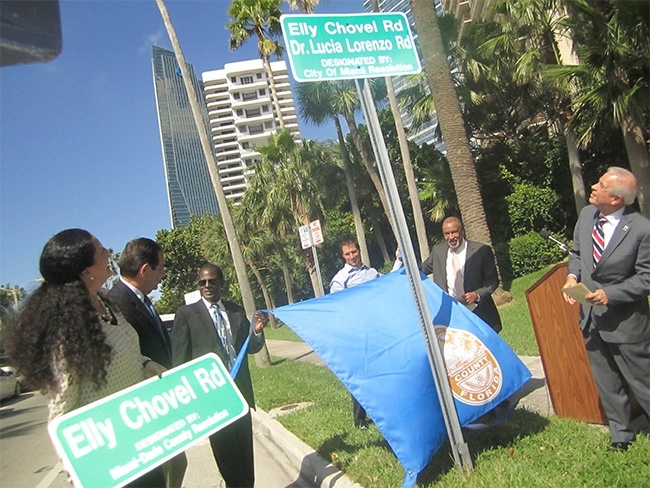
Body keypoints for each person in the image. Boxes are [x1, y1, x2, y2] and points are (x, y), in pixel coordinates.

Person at [7, 229, 166, 487]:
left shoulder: (109, 304)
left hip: (140, 446)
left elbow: (129, 352)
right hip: (111, 463)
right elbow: (62, 410)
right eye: (102, 250)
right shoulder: (68, 331)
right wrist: (77, 470)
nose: (109, 253)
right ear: (86, 271)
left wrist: (146, 364)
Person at [562, 167, 650, 451]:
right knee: (607, 382)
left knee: (642, 381)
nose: (594, 187)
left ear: (616, 200)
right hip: (591, 320)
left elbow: (646, 277)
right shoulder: (587, 215)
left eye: (601, 185)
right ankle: (620, 435)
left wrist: (610, 294)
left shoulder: (641, 229)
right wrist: (572, 276)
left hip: (627, 323)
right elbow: (576, 253)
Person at [170, 263, 266, 488]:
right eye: (202, 282)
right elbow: (180, 361)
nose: (207, 286)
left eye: (212, 281)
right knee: (228, 460)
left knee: (245, 458)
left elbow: (248, 347)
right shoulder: (186, 314)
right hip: (212, 399)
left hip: (239, 393)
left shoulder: (235, 310)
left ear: (221, 283)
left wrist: (257, 332)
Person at [108, 238, 186, 488]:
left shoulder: (143, 298)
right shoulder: (116, 304)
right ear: (144, 270)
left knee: (177, 463)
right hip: (143, 408)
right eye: (161, 267)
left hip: (160, 400)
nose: (163, 274)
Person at [396, 216, 502, 333]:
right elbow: (421, 269)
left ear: (462, 232)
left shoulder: (481, 251)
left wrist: (477, 295)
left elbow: (492, 281)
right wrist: (404, 257)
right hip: (452, 314)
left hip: (480, 312)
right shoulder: (438, 251)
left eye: (454, 232)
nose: (451, 237)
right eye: (447, 234)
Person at [329, 238, 380, 429]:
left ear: (359, 250)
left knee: (377, 373)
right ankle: (360, 420)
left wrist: (399, 260)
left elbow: (387, 287)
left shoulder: (372, 273)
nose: (352, 256)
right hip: (355, 335)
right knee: (359, 376)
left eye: (354, 252)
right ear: (343, 256)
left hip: (375, 331)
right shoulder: (340, 279)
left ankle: (378, 413)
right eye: (347, 254)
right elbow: (337, 308)